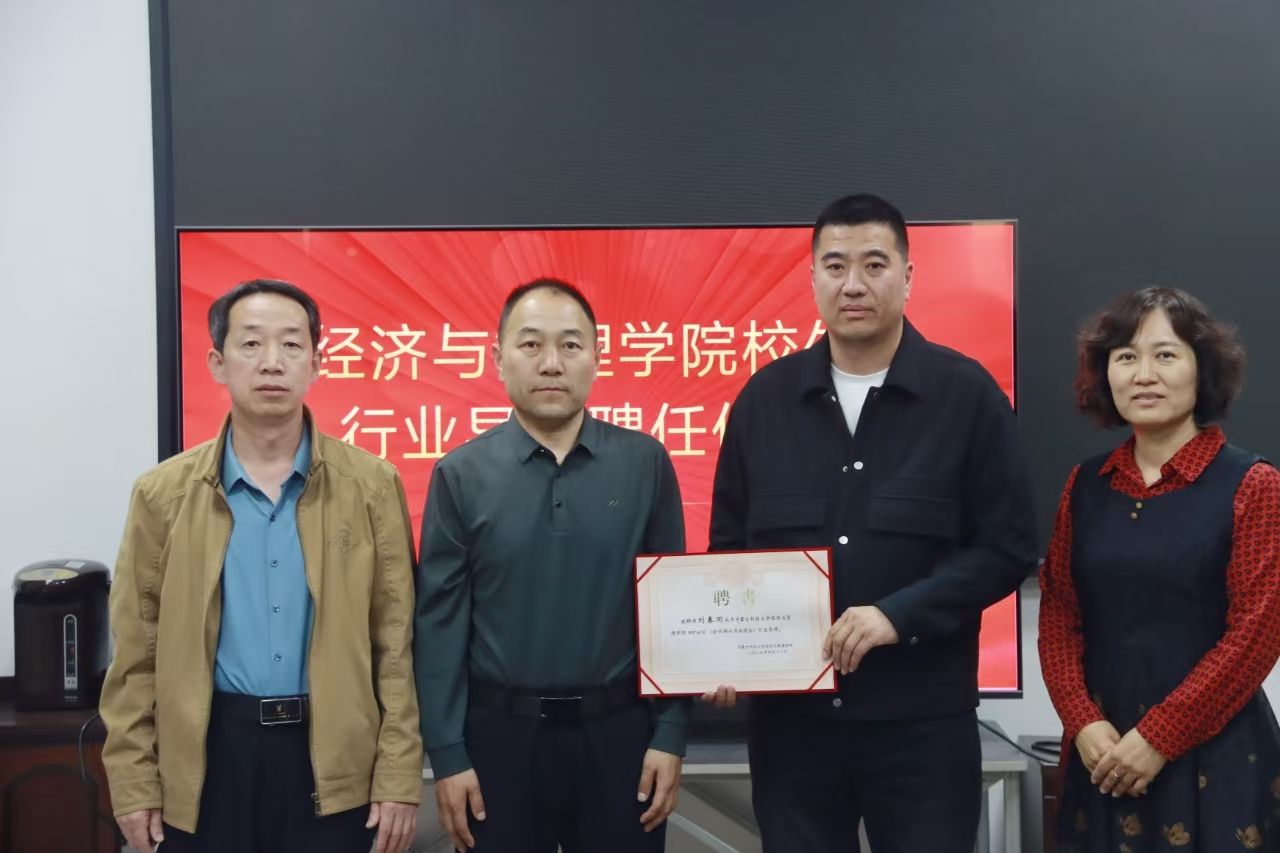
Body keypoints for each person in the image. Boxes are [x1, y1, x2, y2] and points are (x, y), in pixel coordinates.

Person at [705, 193, 1037, 852]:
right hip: (793, 734)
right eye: (835, 266)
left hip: (923, 728)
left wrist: (898, 615)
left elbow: (1008, 547)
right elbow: (729, 552)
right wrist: (721, 649)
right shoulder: (763, 401)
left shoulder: (967, 396)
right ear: (812, 279)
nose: (853, 284)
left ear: (908, 277)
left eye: (874, 265)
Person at [99, 279, 422, 853]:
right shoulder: (162, 495)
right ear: (217, 363)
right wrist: (132, 782)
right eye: (251, 344)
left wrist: (398, 775)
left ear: (316, 363)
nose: (272, 361)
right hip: (209, 756)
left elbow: (394, 646)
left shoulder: (372, 487)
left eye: (292, 344)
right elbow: (135, 657)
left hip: (333, 759)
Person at [415, 278, 689, 852]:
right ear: (498, 358)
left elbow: (670, 611)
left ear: (596, 356)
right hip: (498, 742)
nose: (551, 363)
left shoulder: (645, 463)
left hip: (620, 738)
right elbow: (439, 628)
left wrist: (670, 733)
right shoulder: (459, 474)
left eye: (570, 345)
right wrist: (447, 754)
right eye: (531, 344)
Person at [1039, 287, 1280, 851]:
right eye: (1126, 356)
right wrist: (1083, 722)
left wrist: (1158, 737)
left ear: (1203, 368)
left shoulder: (1254, 485)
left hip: (1217, 759)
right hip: (1103, 755)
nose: (1143, 374)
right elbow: (1059, 615)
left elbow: (1256, 634)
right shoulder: (1084, 485)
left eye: (1165, 355)